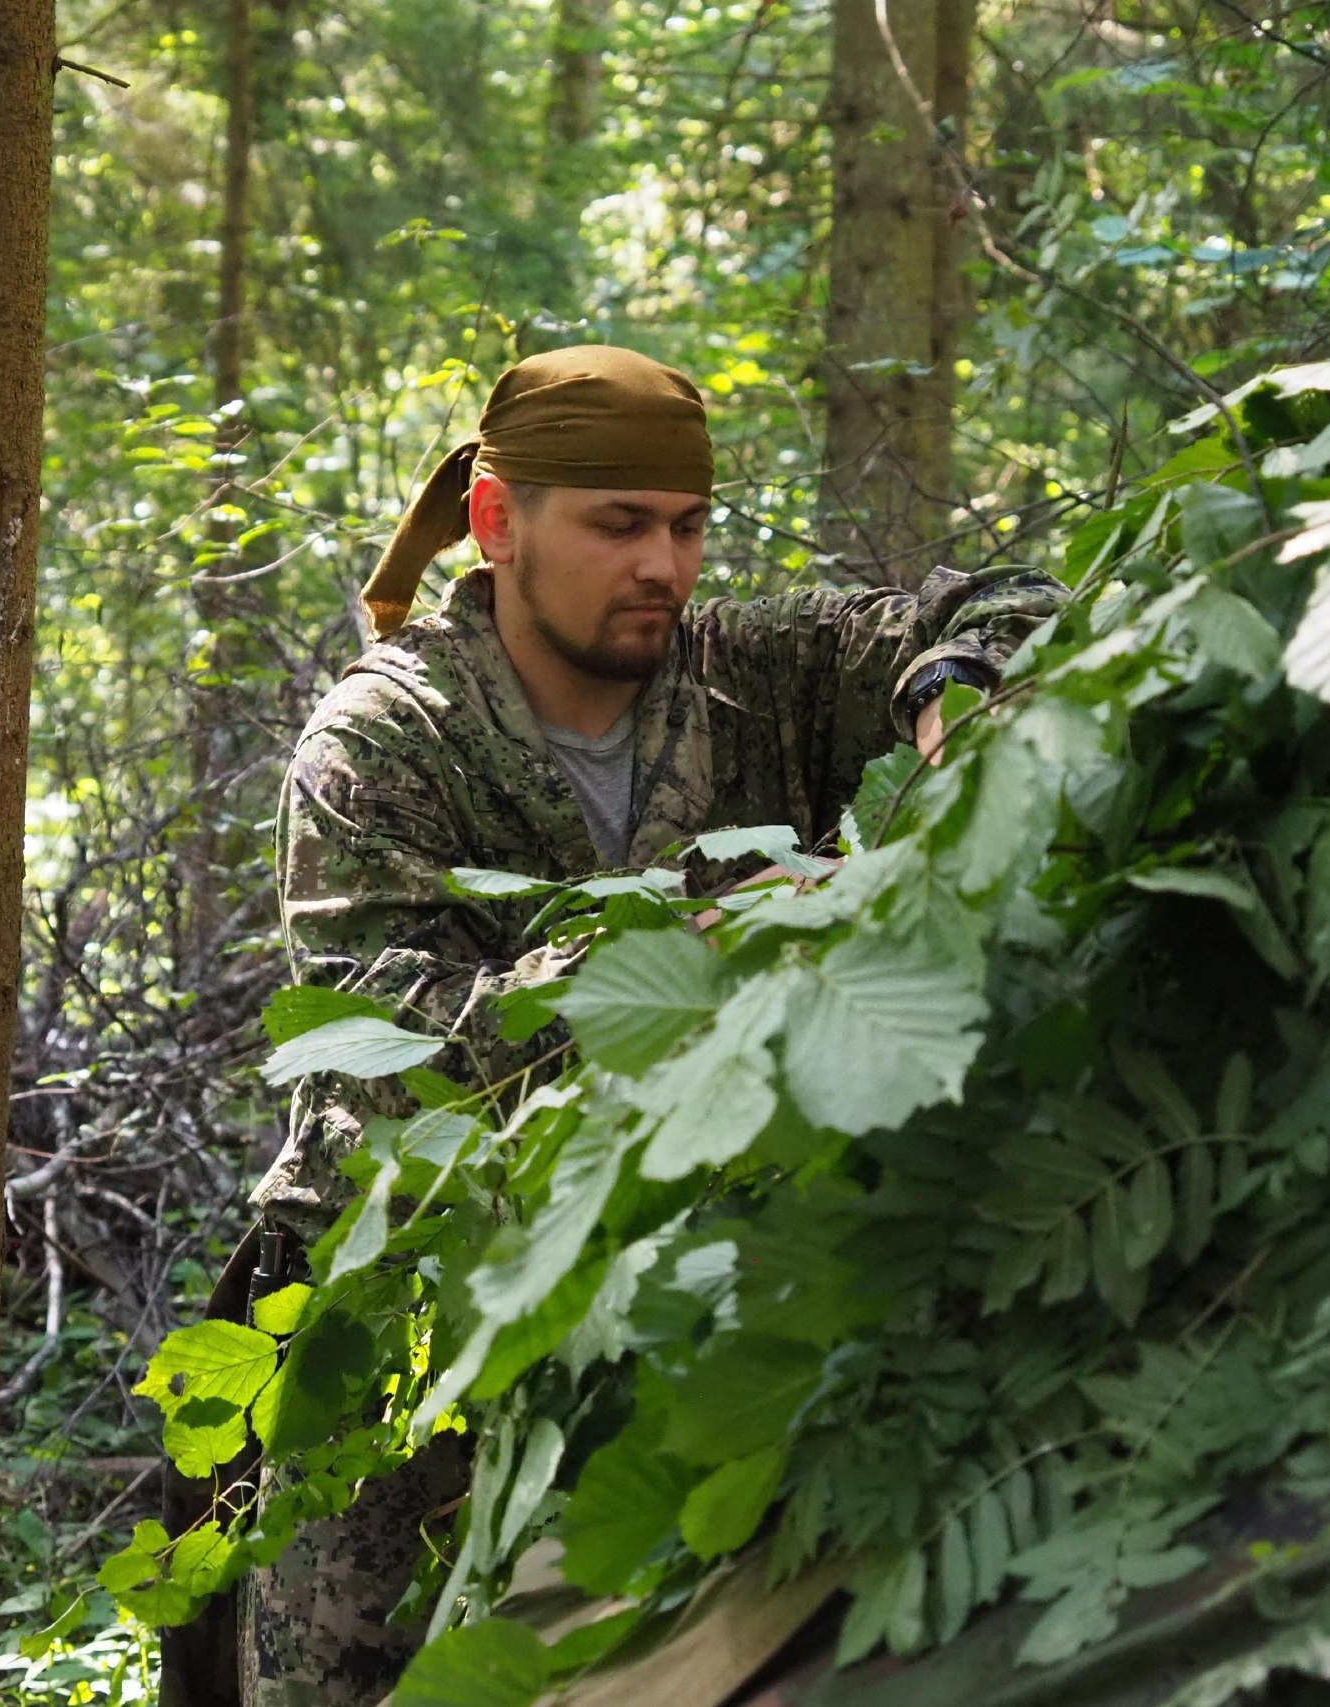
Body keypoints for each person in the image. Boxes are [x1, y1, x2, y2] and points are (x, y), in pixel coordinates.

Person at [234, 345, 1065, 1707]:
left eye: (685, 528)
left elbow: (1006, 602)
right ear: (497, 524)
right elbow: (384, 1057)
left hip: (692, 1290)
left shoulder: (756, 672)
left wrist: (952, 696)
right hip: (417, 1320)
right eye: (617, 525)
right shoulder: (381, 742)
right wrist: (676, 957)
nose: (663, 569)